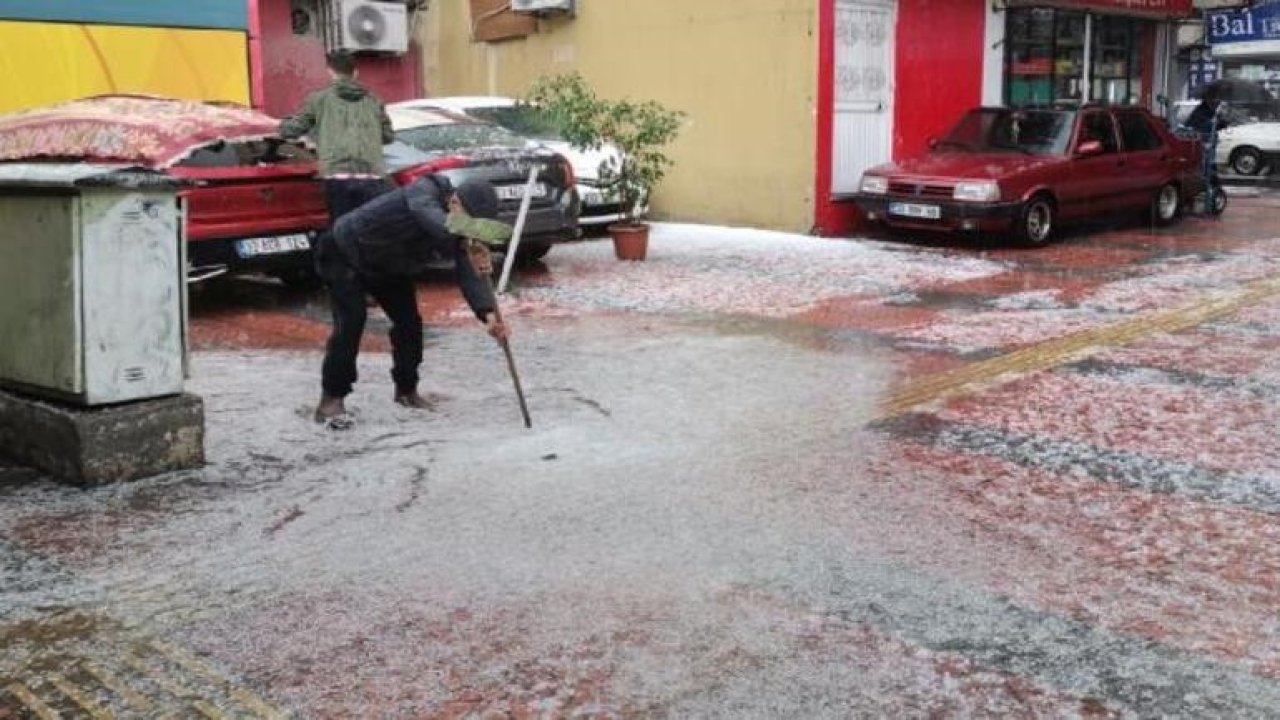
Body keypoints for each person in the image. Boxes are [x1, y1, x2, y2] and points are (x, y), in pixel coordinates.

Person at [313, 176, 513, 428]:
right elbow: (429, 216)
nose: (468, 231)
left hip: (388, 264)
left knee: (409, 323)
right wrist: (466, 233)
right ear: (454, 202)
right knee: (351, 322)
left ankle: (406, 391)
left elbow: (469, 274)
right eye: (468, 224)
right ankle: (331, 399)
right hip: (343, 251)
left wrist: (489, 316)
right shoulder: (425, 191)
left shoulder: (462, 229)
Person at [279, 50, 394, 247]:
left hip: (337, 175)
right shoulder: (374, 100)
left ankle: (345, 272)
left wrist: (275, 127)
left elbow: (293, 130)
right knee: (371, 230)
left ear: (330, 72)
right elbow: (388, 136)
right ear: (355, 73)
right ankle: (370, 273)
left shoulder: (319, 99)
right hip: (372, 175)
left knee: (341, 230)